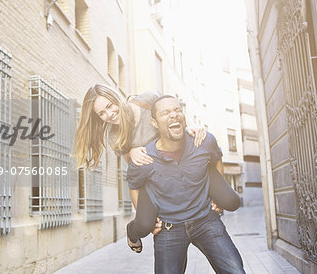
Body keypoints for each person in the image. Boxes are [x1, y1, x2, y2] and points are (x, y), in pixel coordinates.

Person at [76, 84, 240, 252]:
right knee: (145, 225)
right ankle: (132, 232)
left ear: (116, 97)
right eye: (101, 113)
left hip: (186, 164)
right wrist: (131, 152)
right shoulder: (114, 135)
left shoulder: (147, 100)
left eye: (109, 106)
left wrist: (191, 127)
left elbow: (173, 114)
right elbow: (135, 174)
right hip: (156, 177)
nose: (109, 115)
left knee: (232, 201)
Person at [127, 95, 245, 274]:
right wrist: (145, 220)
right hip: (168, 228)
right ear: (154, 123)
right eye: (166, 112)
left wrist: (217, 197)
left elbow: (216, 160)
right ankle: (133, 230)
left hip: (206, 220)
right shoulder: (145, 158)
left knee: (236, 271)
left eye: (177, 110)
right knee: (143, 224)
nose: (173, 115)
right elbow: (134, 185)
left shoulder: (203, 141)